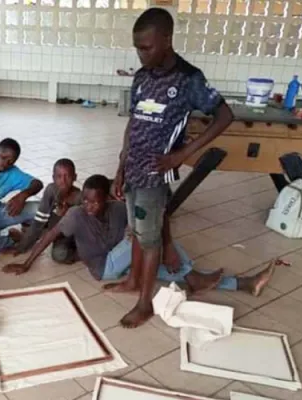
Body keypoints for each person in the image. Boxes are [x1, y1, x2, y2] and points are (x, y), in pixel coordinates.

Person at [111, 8, 235, 328]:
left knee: (150, 238)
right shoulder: (141, 76)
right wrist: (121, 164)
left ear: (167, 40)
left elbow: (224, 116)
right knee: (137, 233)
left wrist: (182, 155)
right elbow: (134, 123)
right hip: (133, 169)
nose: (141, 54)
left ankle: (144, 304)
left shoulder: (189, 79)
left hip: (154, 174)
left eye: (147, 47)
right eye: (137, 47)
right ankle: (133, 281)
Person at [3, 175, 275, 296]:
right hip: (106, 268)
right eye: (85, 201)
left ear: (107, 199)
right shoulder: (76, 216)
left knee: (167, 262)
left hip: (127, 263)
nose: (89, 206)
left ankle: (242, 285)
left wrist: (165, 247)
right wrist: (27, 264)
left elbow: (161, 215)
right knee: (145, 238)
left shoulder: (119, 208)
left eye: (95, 202)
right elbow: (49, 234)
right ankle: (195, 277)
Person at [14, 158, 81, 264]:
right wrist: (22, 247)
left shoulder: (79, 198)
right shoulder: (51, 190)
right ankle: (28, 238)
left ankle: (81, 254)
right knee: (31, 225)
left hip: (70, 236)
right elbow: (39, 221)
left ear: (75, 177)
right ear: (53, 178)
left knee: (59, 254)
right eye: (59, 177)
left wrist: (66, 217)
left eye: (67, 176)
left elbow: (78, 231)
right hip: (54, 230)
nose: (63, 181)